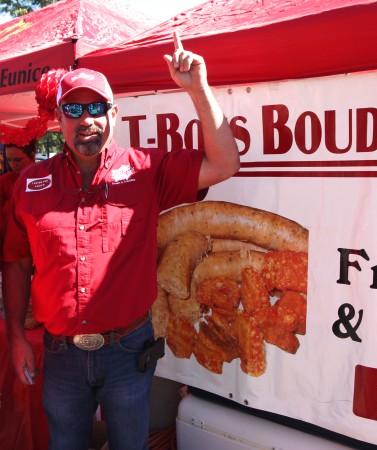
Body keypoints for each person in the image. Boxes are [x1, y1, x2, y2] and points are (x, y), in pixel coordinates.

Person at [2, 32, 239, 450]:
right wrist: (17, 338)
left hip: (128, 352)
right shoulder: (29, 184)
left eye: (95, 107)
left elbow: (224, 163)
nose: (86, 119)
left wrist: (198, 89)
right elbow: (16, 262)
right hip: (60, 357)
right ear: (59, 120)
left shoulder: (146, 169)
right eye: (73, 109)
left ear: (113, 114)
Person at [0, 139, 36, 265]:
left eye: (17, 160)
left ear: (32, 155)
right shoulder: (5, 181)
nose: (12, 165)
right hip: (14, 249)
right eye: (9, 160)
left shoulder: (48, 177)